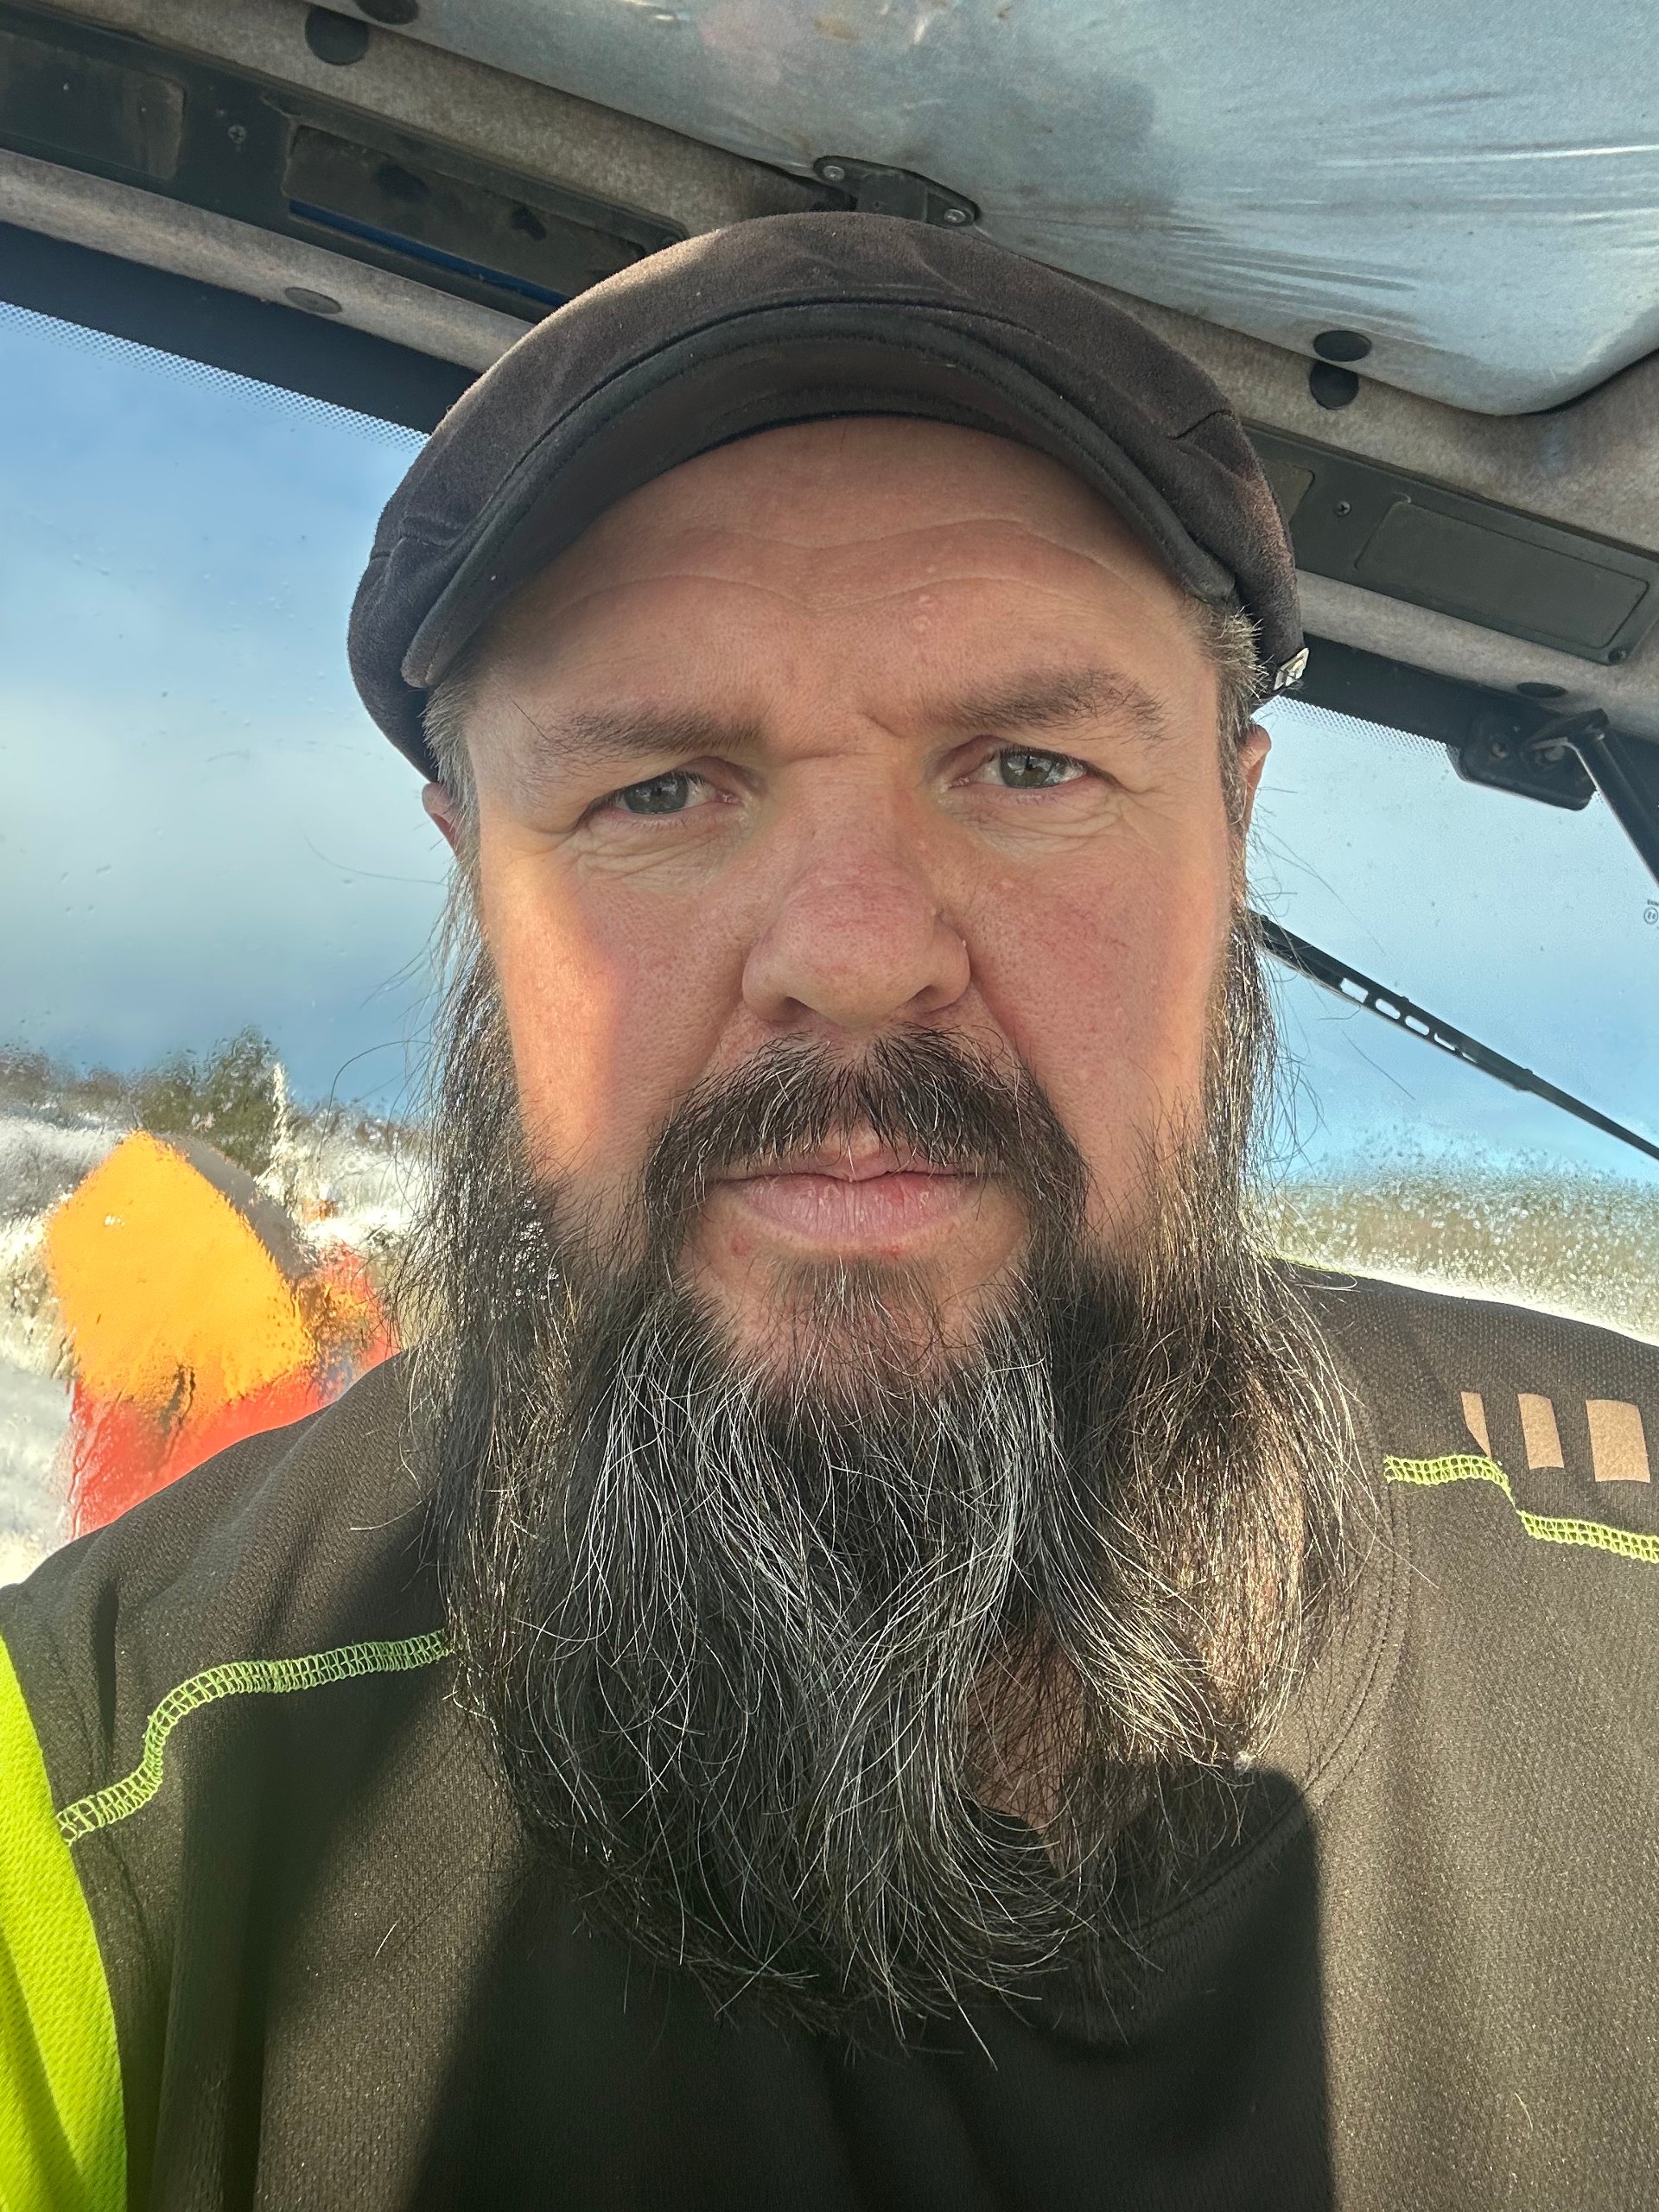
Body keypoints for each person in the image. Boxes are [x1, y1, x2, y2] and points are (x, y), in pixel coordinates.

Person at [3, 213, 1656, 2212]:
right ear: (475, 870)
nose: (857, 954)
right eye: (660, 791)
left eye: (1027, 763)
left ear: (1231, 826)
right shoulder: (98, 1773)